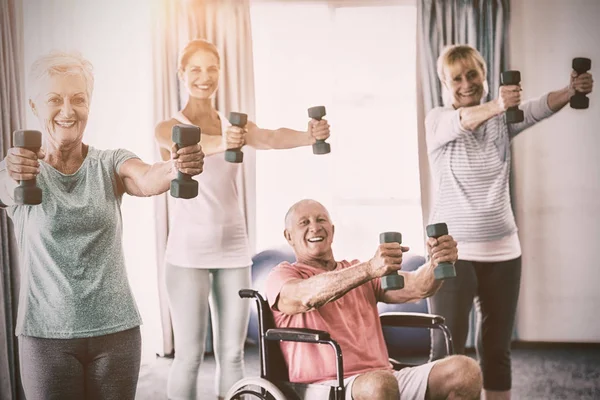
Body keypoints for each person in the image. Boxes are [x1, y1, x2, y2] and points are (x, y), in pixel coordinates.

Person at [0, 51, 204, 400]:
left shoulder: (109, 162)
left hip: (117, 335)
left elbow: (145, 177)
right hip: (46, 337)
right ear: (34, 106)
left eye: (78, 99)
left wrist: (174, 168)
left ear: (89, 105)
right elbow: (5, 188)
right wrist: (11, 171)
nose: (68, 111)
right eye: (54, 100)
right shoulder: (22, 171)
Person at [154, 38, 331, 400]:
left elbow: (268, 137)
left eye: (212, 68)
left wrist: (306, 136)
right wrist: (230, 141)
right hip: (186, 254)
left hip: (233, 250)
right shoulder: (168, 127)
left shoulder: (231, 124)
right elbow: (193, 144)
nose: (205, 77)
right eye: (196, 69)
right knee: (187, 356)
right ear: (181, 74)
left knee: (232, 355)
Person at [425, 44, 594, 400]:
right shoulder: (437, 120)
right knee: (447, 349)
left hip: (504, 251)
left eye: (473, 74)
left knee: (496, 350)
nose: (466, 83)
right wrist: (501, 105)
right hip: (452, 256)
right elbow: (464, 120)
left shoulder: (503, 120)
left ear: (485, 75)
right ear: (444, 82)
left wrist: (571, 90)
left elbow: (537, 108)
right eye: (456, 78)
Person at [265, 199, 483, 400]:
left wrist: (436, 262)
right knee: (379, 385)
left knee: (465, 372)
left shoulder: (356, 270)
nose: (315, 227)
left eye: (321, 219)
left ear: (332, 230)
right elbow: (306, 297)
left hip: (383, 377)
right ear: (289, 236)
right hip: (323, 386)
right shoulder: (282, 275)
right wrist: (369, 268)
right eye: (304, 222)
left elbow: (417, 286)